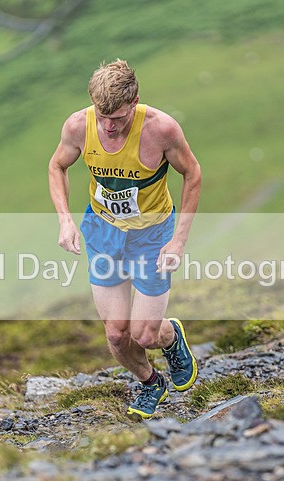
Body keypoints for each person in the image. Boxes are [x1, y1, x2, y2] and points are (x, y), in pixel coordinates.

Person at [48, 59, 202, 418]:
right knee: (118, 334)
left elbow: (192, 174)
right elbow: (57, 166)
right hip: (103, 232)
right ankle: (151, 383)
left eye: (116, 118)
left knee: (145, 335)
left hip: (152, 235)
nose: (108, 126)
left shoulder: (162, 129)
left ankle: (170, 336)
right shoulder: (78, 126)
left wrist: (178, 241)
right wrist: (65, 221)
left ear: (134, 102)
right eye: (102, 117)